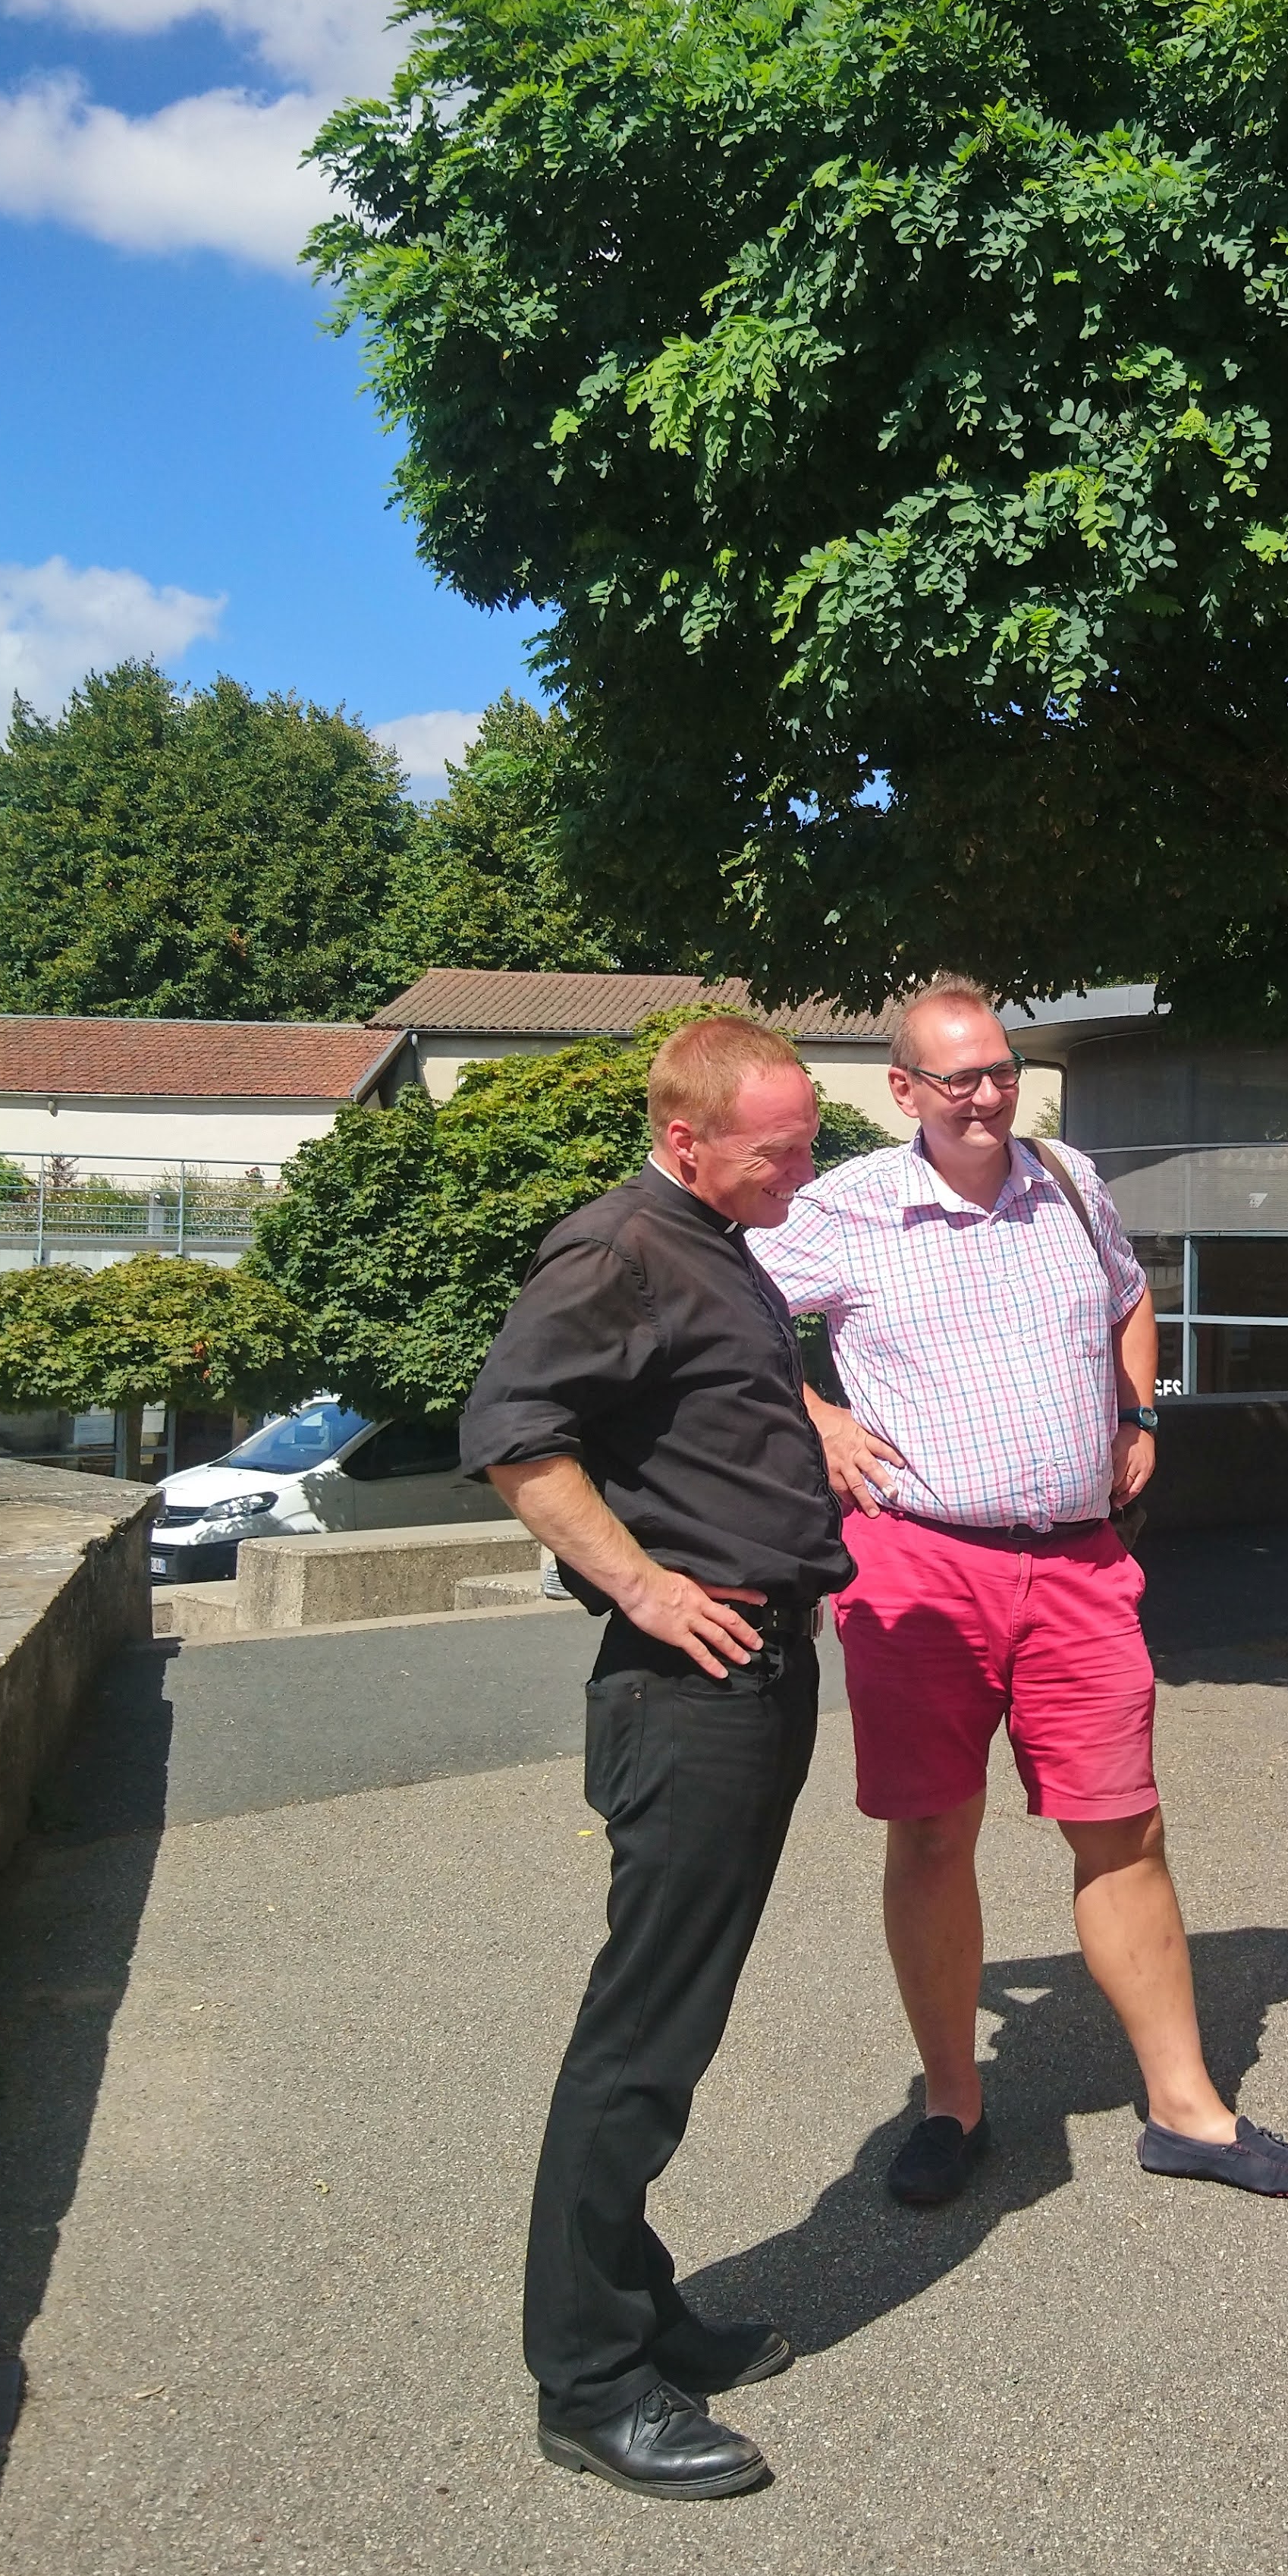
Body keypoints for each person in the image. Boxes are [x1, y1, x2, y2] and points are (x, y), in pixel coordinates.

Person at [755, 980, 1288, 2208]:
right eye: (957, 1077)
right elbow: (714, 1311)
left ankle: (1187, 2109)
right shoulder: (844, 1208)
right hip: (919, 1564)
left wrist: (1137, 1410)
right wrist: (817, 1418)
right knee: (931, 1830)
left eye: (1001, 1071)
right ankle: (952, 2101)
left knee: (1123, 1826)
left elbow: (1129, 1293)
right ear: (902, 1090)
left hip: (1078, 1560)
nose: (986, 1096)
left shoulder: (1067, 1179)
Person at [460, 1013, 851, 2501]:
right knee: (642, 2040)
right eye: (779, 1151)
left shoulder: (715, 1242)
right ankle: (587, 2379)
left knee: (671, 2024)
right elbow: (515, 1437)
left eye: (810, 1145)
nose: (802, 1173)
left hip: (754, 1670)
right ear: (685, 1139)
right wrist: (642, 1585)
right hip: (687, 1688)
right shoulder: (618, 1246)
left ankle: (634, 2305)